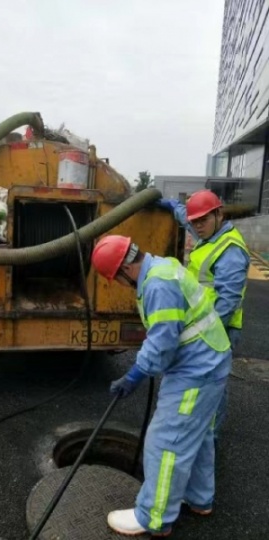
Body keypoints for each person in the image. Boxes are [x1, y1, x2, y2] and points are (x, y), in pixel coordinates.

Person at [91, 235, 232, 537]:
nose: (119, 284)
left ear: (124, 270)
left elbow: (162, 342)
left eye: (116, 279)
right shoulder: (163, 266)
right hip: (209, 360)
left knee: (166, 440)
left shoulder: (157, 285)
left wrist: (134, 376)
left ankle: (153, 517)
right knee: (198, 434)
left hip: (197, 370)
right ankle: (198, 497)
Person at [157, 191, 249, 438]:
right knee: (201, 380)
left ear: (219, 214)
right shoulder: (207, 232)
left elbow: (228, 301)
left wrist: (205, 336)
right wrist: (171, 205)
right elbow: (185, 218)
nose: (197, 226)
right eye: (194, 221)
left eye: (203, 220)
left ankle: (210, 438)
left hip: (220, 327)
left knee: (212, 384)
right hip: (204, 323)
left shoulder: (230, 250)